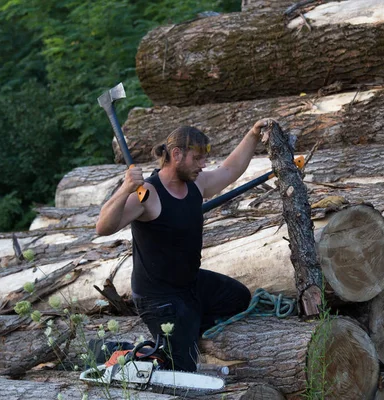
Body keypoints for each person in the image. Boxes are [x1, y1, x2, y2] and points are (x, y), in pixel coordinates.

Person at [95, 119, 270, 372]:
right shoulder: (148, 194)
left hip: (189, 285)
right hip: (158, 298)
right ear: (176, 154)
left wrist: (253, 135)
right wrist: (124, 190)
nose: (203, 165)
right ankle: (124, 352)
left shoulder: (196, 184)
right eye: (197, 158)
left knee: (238, 297)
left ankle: (183, 331)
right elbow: (103, 227)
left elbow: (230, 170)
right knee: (182, 369)